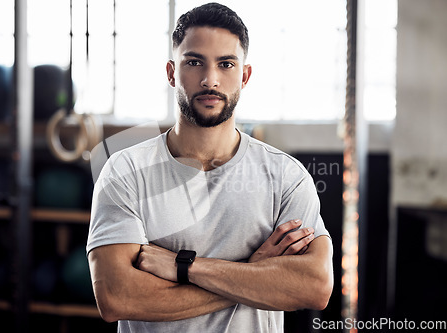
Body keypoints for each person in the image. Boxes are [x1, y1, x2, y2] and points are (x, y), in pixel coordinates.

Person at [87, 2, 333, 332]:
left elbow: (315, 288)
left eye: (226, 64)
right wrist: (253, 273)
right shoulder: (124, 171)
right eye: (194, 62)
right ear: (172, 72)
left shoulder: (286, 177)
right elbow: (117, 297)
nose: (210, 79)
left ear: (244, 76)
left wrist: (184, 268)